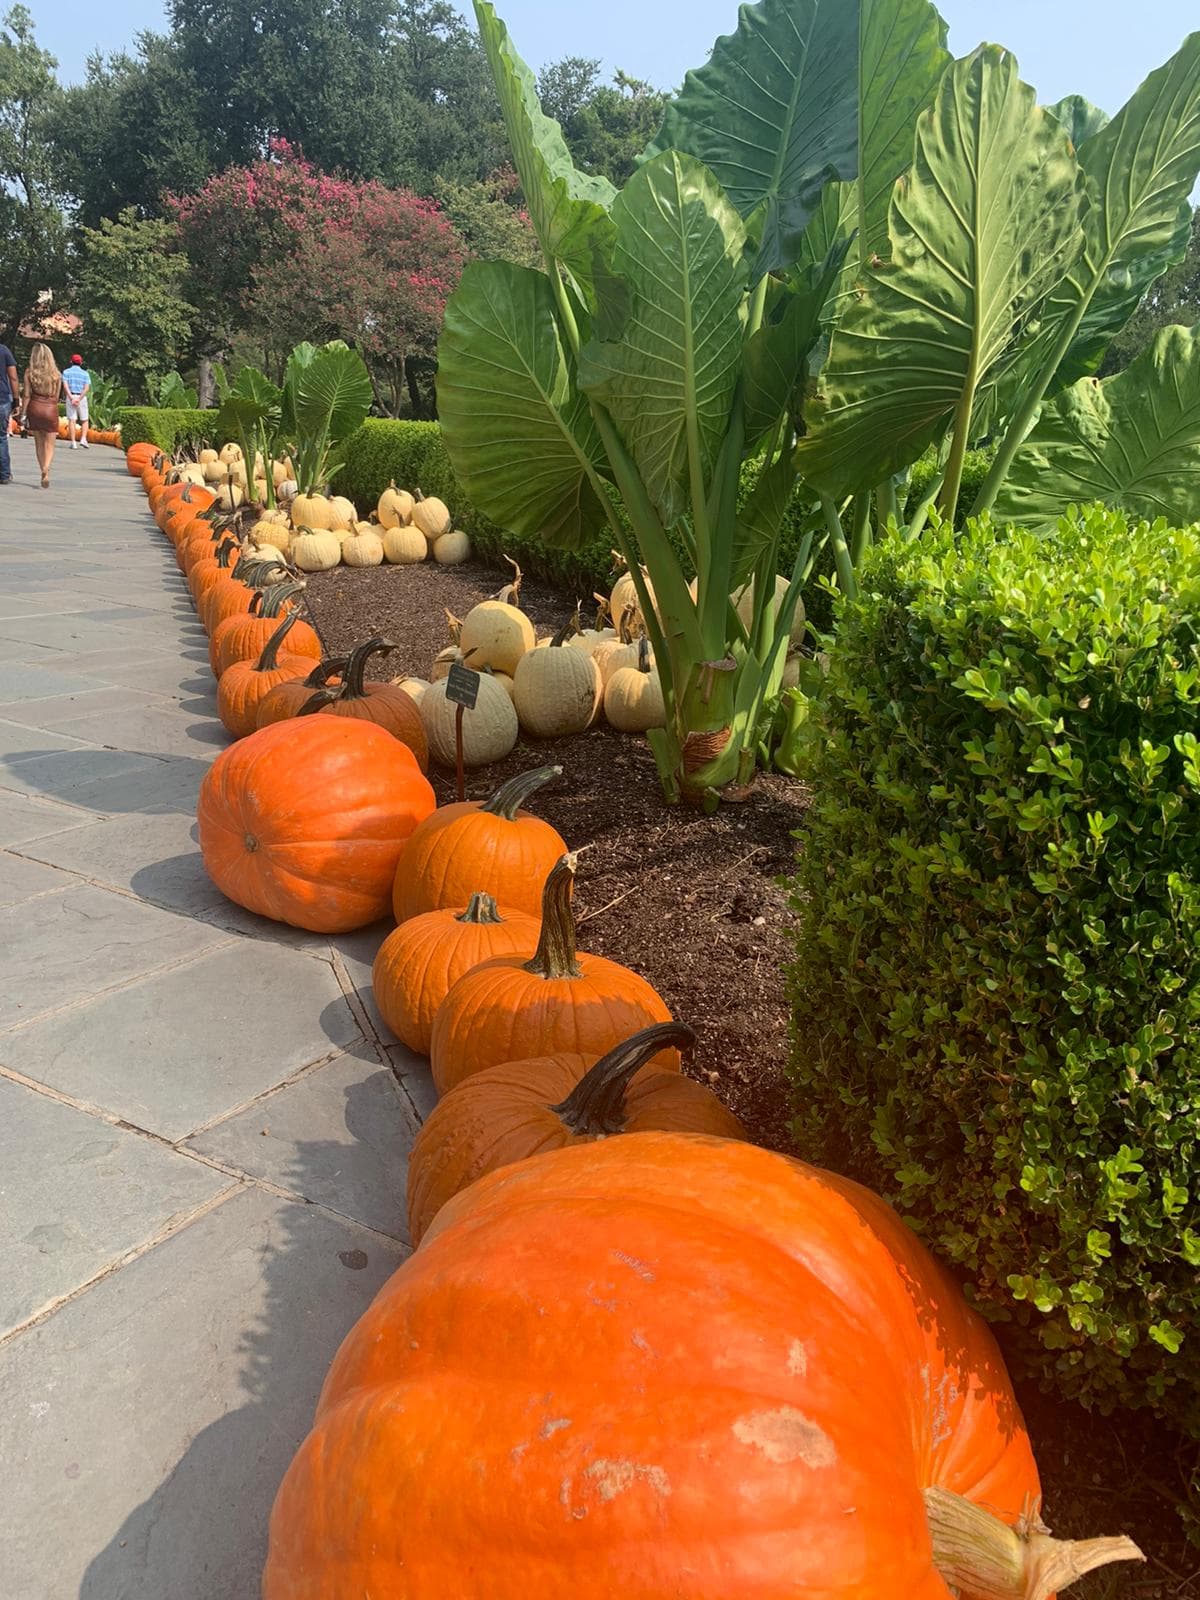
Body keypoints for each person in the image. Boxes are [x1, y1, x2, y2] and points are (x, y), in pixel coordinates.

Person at [20, 343, 61, 489]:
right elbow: (57, 397)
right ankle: (46, 469)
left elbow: (26, 395)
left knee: (39, 442)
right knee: (50, 444)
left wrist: (23, 414)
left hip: (35, 407)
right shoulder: (56, 374)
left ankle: (42, 469)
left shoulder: (29, 372)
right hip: (50, 408)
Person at [62, 353, 91, 449]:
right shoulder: (85, 374)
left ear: (71, 361)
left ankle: (73, 442)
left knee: (72, 419)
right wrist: (79, 398)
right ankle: (83, 439)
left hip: (71, 396)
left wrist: (71, 397)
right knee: (84, 419)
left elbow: (65, 386)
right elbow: (86, 388)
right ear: (81, 363)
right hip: (81, 398)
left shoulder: (66, 372)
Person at [0, 339, 17, 486]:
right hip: (2, 398)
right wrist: (16, 399)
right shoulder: (4, 350)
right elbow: (13, 377)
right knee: (1, 438)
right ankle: (4, 474)